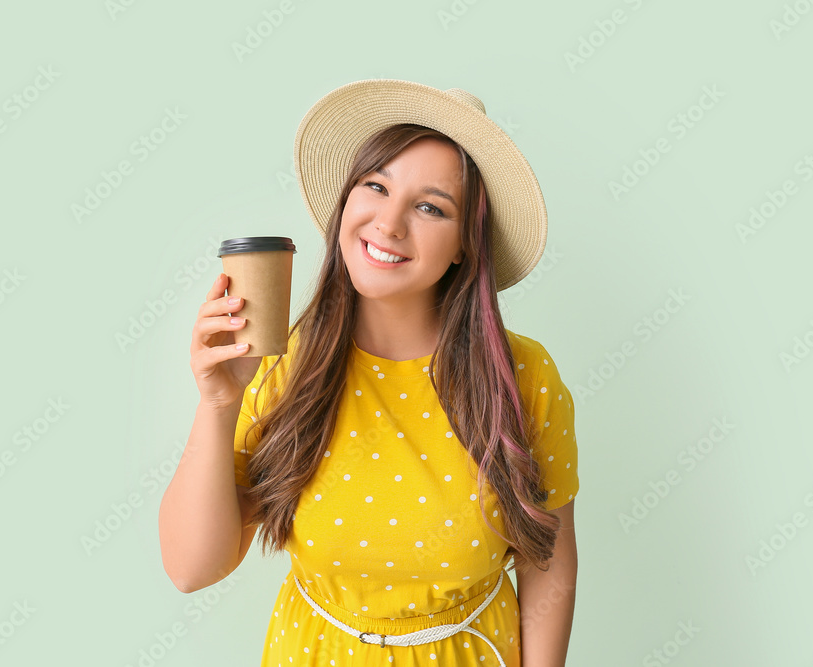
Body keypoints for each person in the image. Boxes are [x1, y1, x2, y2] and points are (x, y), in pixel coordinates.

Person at [159, 79, 580, 667]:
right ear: (346, 202)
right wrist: (217, 402)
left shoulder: (523, 375)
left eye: (431, 207)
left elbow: (549, 561)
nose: (388, 223)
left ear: (465, 244)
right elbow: (190, 569)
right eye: (376, 186)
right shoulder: (281, 366)